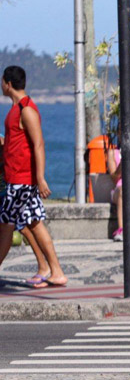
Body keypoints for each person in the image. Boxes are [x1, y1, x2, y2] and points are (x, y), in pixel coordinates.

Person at [0, 66, 67, 288]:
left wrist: (40, 178)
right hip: (15, 178)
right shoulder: (16, 109)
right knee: (33, 224)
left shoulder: (26, 109)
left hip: (22, 181)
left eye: (2, 82)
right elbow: (15, 144)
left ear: (8, 83)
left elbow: (38, 144)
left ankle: (55, 270)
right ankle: (53, 270)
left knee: (6, 226)